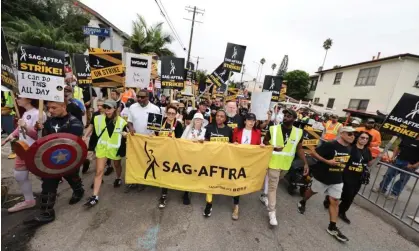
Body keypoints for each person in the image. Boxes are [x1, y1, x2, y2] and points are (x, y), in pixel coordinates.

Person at [24, 100, 85, 225]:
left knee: (72, 177)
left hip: (68, 160)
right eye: (48, 108)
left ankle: (79, 191)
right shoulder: (49, 121)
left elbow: (73, 145)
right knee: (48, 183)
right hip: (51, 162)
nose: (50, 111)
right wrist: (38, 129)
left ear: (63, 106)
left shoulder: (75, 123)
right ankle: (47, 213)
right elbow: (43, 141)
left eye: (54, 107)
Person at [297, 126, 355, 242]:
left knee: (335, 201)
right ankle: (303, 201)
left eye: (353, 134)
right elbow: (313, 153)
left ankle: (332, 227)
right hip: (323, 177)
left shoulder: (349, 148)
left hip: (337, 179)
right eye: (350, 134)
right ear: (342, 134)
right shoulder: (330, 145)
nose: (353, 136)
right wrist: (327, 161)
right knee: (312, 192)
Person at [263, 108, 308, 226]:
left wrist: (305, 163)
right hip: (273, 162)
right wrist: (273, 147)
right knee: (273, 187)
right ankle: (272, 212)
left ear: (294, 119)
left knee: (276, 183)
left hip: (286, 165)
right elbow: (265, 141)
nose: (286, 117)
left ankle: (265, 195)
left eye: (289, 115)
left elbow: (299, 148)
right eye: (285, 115)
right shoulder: (273, 129)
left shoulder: (299, 132)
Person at [2, 97, 45, 212]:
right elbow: (19, 128)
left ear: (29, 99)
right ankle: (29, 201)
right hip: (22, 148)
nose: (16, 99)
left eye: (20, 97)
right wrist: (12, 135)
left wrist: (25, 126)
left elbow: (38, 135)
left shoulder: (39, 114)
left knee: (41, 174)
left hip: (34, 150)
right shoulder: (26, 113)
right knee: (19, 175)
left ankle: (50, 192)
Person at [84, 100, 127, 207]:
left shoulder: (122, 122)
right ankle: (95, 197)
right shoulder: (97, 118)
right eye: (105, 108)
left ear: (115, 109)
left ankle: (118, 178)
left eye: (109, 108)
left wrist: (126, 134)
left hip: (114, 149)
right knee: (99, 171)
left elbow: (126, 133)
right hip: (101, 148)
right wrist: (85, 136)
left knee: (116, 165)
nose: (107, 111)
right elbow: (91, 126)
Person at [126, 89, 161, 192]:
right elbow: (129, 121)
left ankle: (143, 181)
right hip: (135, 140)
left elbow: (157, 128)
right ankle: (134, 180)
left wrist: (155, 137)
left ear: (148, 98)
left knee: (146, 161)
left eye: (142, 97)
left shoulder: (155, 109)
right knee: (135, 160)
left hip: (148, 140)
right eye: (138, 97)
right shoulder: (132, 107)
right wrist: (131, 128)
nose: (139, 99)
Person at [231, 113, 263, 220]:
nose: (251, 122)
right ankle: (236, 205)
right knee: (237, 181)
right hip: (237, 160)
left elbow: (259, 145)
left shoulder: (258, 132)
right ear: (245, 121)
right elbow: (231, 143)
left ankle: (236, 202)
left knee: (242, 181)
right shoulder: (237, 130)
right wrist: (234, 144)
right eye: (249, 120)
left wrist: (261, 146)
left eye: (253, 120)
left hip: (249, 162)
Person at [203, 110, 233, 217]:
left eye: (222, 116)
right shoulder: (209, 128)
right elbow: (205, 141)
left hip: (223, 160)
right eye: (217, 116)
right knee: (211, 180)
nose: (219, 118)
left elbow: (232, 145)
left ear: (225, 119)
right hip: (211, 159)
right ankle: (209, 203)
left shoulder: (229, 130)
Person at [338, 131, 373, 224]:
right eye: (362, 137)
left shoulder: (367, 150)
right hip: (347, 175)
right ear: (357, 138)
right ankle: (329, 200)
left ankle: (341, 212)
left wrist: (379, 158)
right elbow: (342, 159)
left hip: (359, 177)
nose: (364, 140)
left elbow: (369, 164)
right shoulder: (350, 148)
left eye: (366, 138)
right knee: (344, 194)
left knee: (351, 196)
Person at [158, 105, 184, 208]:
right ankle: (163, 193)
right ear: (166, 113)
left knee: (168, 173)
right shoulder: (160, 121)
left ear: (176, 114)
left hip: (172, 153)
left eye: (173, 113)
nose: (171, 115)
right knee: (162, 172)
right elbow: (154, 133)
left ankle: (165, 193)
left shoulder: (178, 125)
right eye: (169, 113)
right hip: (160, 151)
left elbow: (180, 139)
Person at [180, 112, 207, 205]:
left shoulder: (204, 130)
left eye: (200, 120)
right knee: (187, 173)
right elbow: (182, 140)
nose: (198, 121)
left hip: (198, 155)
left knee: (195, 173)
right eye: (196, 119)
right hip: (187, 154)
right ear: (193, 120)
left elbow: (205, 142)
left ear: (202, 121)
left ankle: (194, 188)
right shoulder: (188, 129)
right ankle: (186, 193)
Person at [257, 110, 274, 206]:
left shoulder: (273, 125)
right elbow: (262, 126)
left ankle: (265, 193)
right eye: (267, 114)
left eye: (270, 114)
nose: (268, 115)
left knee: (267, 172)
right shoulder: (257, 122)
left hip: (267, 149)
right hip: (259, 148)